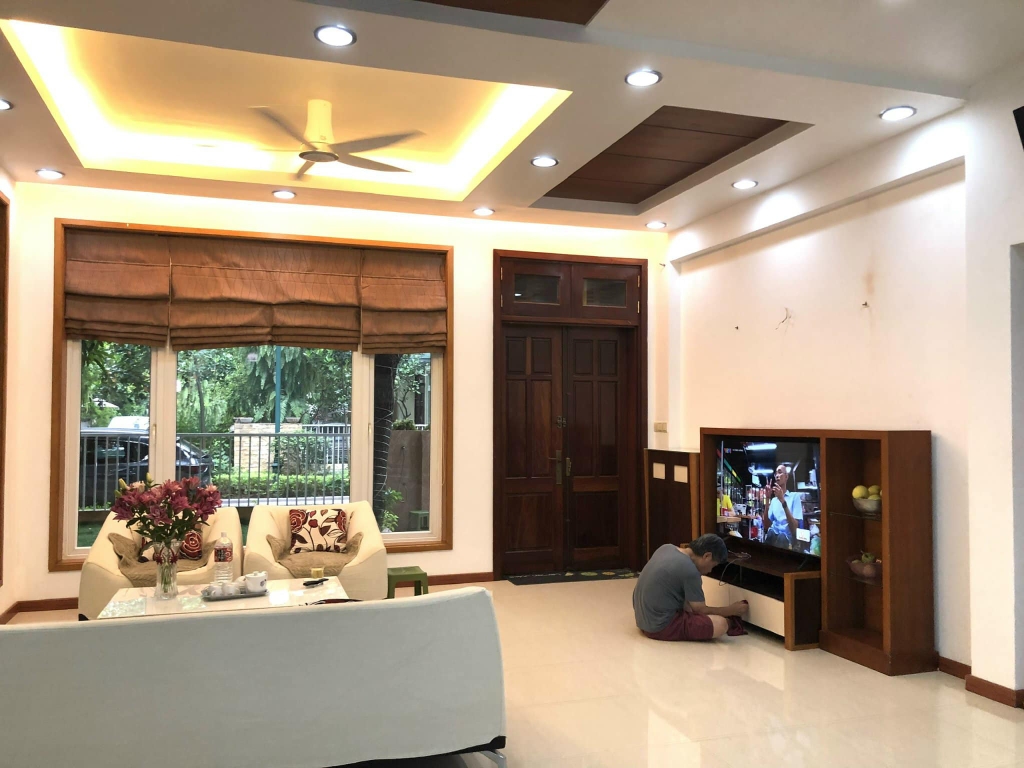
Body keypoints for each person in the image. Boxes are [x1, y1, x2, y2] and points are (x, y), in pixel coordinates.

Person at [633, 534, 748, 641]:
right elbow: (700, 610)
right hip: (659, 627)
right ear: (707, 556)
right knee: (721, 624)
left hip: (641, 619)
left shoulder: (666, 548)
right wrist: (730, 610)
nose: (710, 571)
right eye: (713, 565)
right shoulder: (690, 570)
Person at [762, 463, 803, 549]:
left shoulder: (795, 497)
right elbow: (766, 525)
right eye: (776, 473)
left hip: (787, 540)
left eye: (780, 472)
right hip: (773, 536)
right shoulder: (774, 500)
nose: (777, 475)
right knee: (770, 533)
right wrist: (768, 498)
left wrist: (783, 501)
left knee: (782, 537)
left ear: (786, 476)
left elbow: (794, 529)